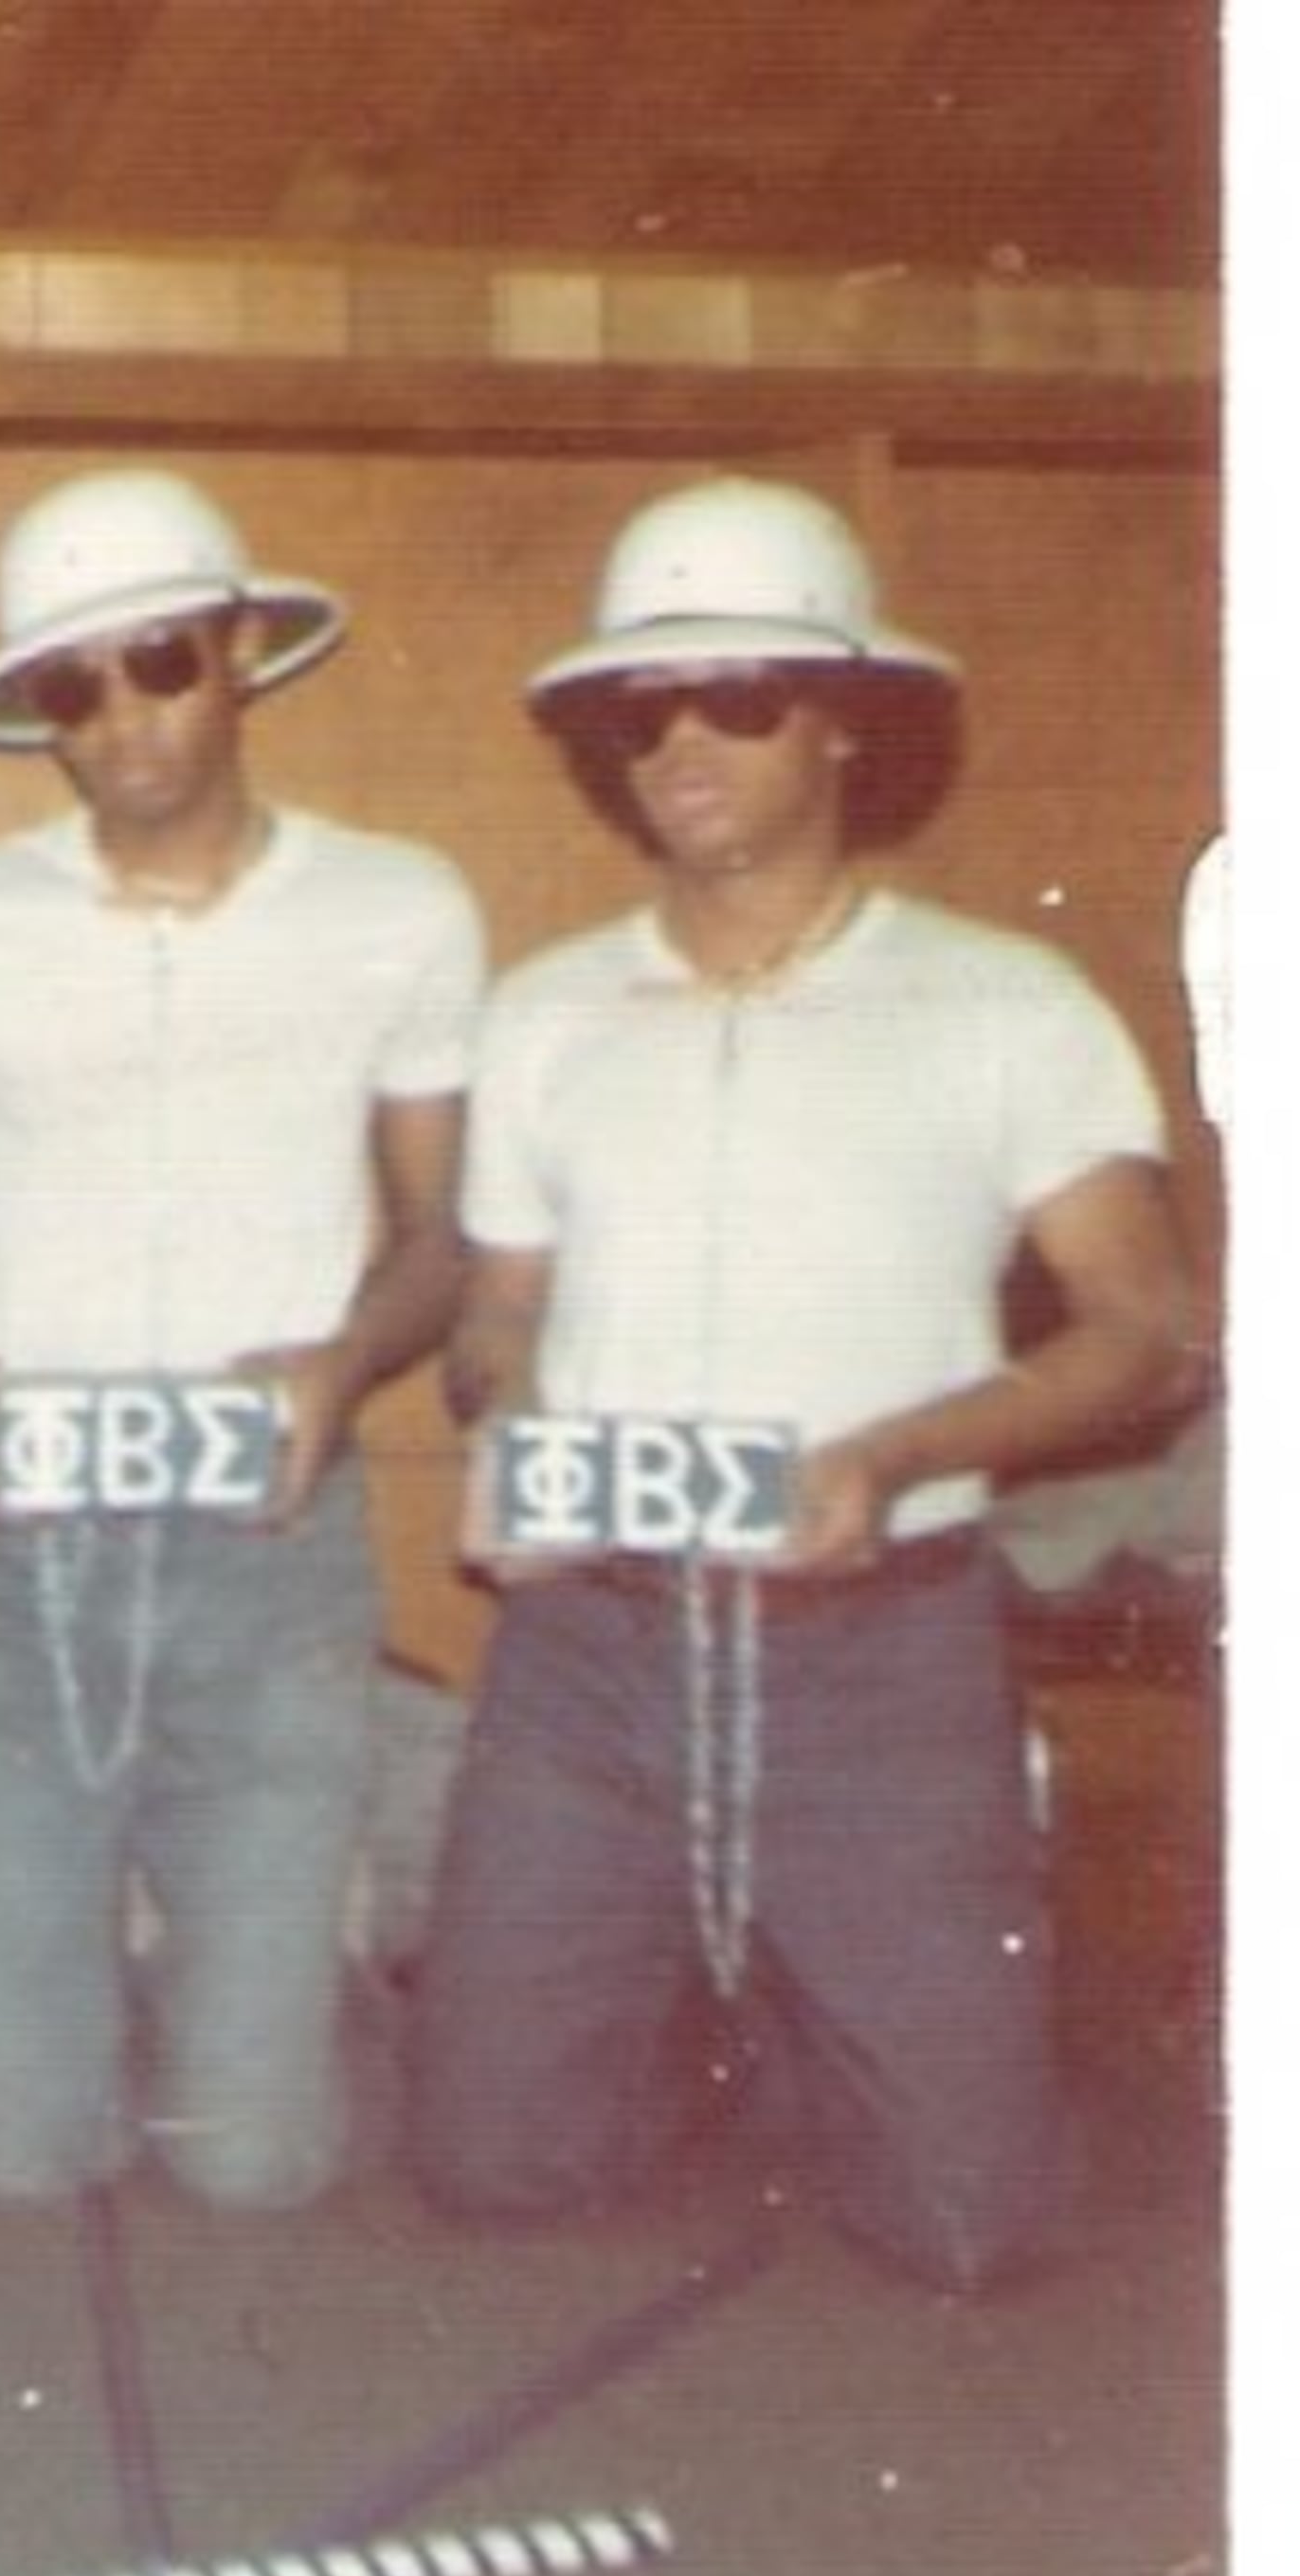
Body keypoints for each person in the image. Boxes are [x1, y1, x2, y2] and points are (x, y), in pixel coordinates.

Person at [404, 475, 1204, 2293]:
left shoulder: (1006, 1004)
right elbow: (497, 1314)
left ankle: (863, 1984)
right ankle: (711, 2001)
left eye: (741, 697)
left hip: (880, 1652)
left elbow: (1149, 1332)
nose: (683, 743)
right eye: (644, 710)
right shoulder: (545, 1014)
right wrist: (506, 1421)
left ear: (845, 720)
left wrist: (897, 1456)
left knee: (966, 2230)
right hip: (592, 1654)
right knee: (494, 2169)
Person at [0, 470, 485, 2212]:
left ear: (239, 656)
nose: (124, 718)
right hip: (24, 1551)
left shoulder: (400, 907)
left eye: (159, 663)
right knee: (20, 2156)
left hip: (269, 1550)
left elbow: (439, 1235)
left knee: (254, 2168)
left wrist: (339, 1370)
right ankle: (148, 1944)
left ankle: (302, 1926)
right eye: (74, 687)